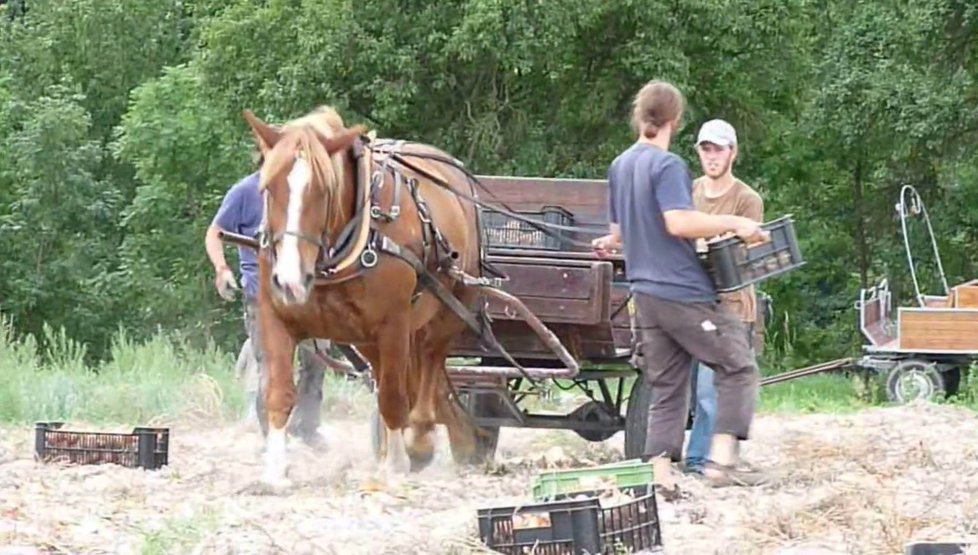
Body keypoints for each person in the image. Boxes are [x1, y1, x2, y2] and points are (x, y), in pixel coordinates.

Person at [592, 80, 768, 495]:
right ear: (675, 120)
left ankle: (661, 475)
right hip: (681, 291)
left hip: (646, 295)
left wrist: (609, 242)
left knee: (668, 386)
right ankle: (721, 462)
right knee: (737, 365)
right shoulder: (666, 166)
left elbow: (617, 232)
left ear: (640, 116)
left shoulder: (621, 164)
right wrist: (736, 224)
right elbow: (678, 223)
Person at [205, 152, 334, 450]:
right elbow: (214, 233)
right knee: (271, 365)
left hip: (305, 294)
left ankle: (307, 427)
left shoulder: (302, 194)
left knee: (317, 359)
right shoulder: (244, 192)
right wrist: (222, 269)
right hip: (262, 294)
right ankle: (273, 436)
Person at [681, 119, 764, 476]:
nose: (712, 156)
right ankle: (703, 457)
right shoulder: (689, 192)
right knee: (685, 389)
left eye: (719, 149)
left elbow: (739, 253)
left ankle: (705, 461)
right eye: (706, 149)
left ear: (733, 152)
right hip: (691, 301)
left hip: (731, 304)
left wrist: (705, 240)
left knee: (711, 390)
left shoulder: (746, 199)